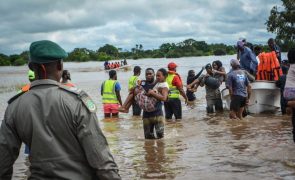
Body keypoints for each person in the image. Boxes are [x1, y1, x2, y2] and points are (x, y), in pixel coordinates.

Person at [0, 40, 120, 179]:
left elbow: (3, 163)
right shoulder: (77, 101)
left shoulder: (14, 106)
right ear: (60, 65)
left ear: (31, 67)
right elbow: (102, 161)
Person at [140, 68, 169, 139]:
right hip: (146, 115)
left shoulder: (161, 85)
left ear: (153, 75)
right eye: (146, 74)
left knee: (160, 137)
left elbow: (165, 98)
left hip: (157, 114)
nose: (148, 76)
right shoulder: (143, 84)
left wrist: (152, 93)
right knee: (148, 138)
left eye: (150, 74)